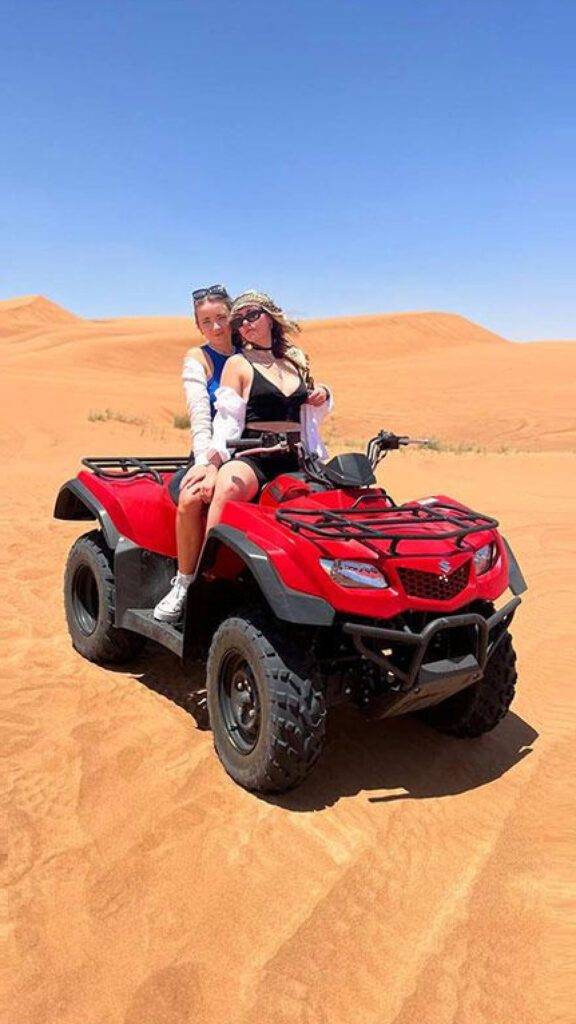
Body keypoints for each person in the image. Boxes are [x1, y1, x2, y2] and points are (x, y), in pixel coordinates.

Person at [156, 289, 331, 623]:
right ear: (199, 325)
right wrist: (209, 463)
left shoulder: (292, 359)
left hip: (295, 455)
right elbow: (213, 420)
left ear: (270, 317)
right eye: (237, 320)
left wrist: (325, 393)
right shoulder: (219, 361)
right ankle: (195, 583)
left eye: (230, 318)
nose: (226, 326)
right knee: (211, 492)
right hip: (243, 451)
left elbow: (310, 404)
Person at [153, 284, 239, 622]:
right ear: (198, 325)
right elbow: (200, 418)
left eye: (222, 317)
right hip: (210, 452)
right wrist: (206, 464)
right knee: (191, 498)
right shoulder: (198, 359)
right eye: (207, 321)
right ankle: (185, 583)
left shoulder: (251, 352)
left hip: (251, 453)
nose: (216, 327)